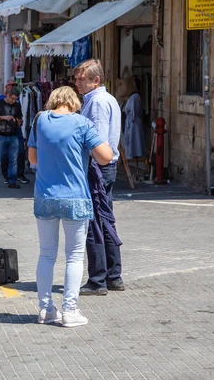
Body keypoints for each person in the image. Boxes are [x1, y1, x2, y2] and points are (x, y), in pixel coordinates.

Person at [27, 86, 113, 327]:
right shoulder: (82, 123)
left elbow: (32, 159)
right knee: (74, 256)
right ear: (74, 103)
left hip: (44, 196)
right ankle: (70, 310)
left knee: (46, 254)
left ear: (53, 102)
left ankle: (45, 309)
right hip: (75, 198)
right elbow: (105, 156)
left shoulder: (39, 120)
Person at [73, 59, 124, 295]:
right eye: (76, 79)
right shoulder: (104, 99)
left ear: (96, 80)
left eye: (81, 79)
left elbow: (98, 141)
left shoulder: (96, 103)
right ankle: (113, 276)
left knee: (93, 223)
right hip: (104, 167)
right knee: (105, 221)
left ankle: (98, 279)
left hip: (98, 167)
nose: (77, 83)